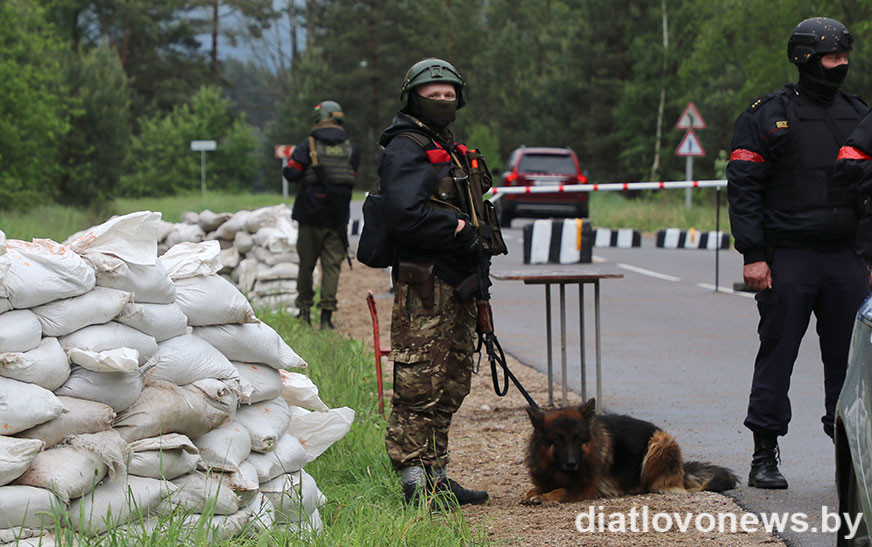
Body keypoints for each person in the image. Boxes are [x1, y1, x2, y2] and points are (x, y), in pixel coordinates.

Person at [727, 17, 869, 490]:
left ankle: (852, 461)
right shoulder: (767, 115)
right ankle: (764, 455)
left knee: (850, 365)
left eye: (845, 56)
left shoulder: (858, 113)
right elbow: (744, 189)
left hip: (847, 258)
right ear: (806, 59)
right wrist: (753, 254)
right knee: (778, 354)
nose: (842, 65)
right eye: (832, 57)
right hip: (788, 257)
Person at [376, 58, 504, 507]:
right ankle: (414, 481)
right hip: (426, 285)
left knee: (451, 381)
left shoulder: (447, 147)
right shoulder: (406, 148)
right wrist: (455, 228)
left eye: (449, 94)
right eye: (433, 94)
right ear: (413, 98)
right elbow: (403, 216)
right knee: (418, 384)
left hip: (459, 281)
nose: (442, 99)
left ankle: (437, 474)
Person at [282, 100, 359, 329]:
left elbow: (292, 174)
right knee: (332, 267)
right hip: (338, 217)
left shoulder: (308, 145)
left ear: (318, 118)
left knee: (306, 265)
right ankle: (326, 317)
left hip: (310, 215)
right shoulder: (351, 148)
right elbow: (350, 178)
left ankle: (304, 312)